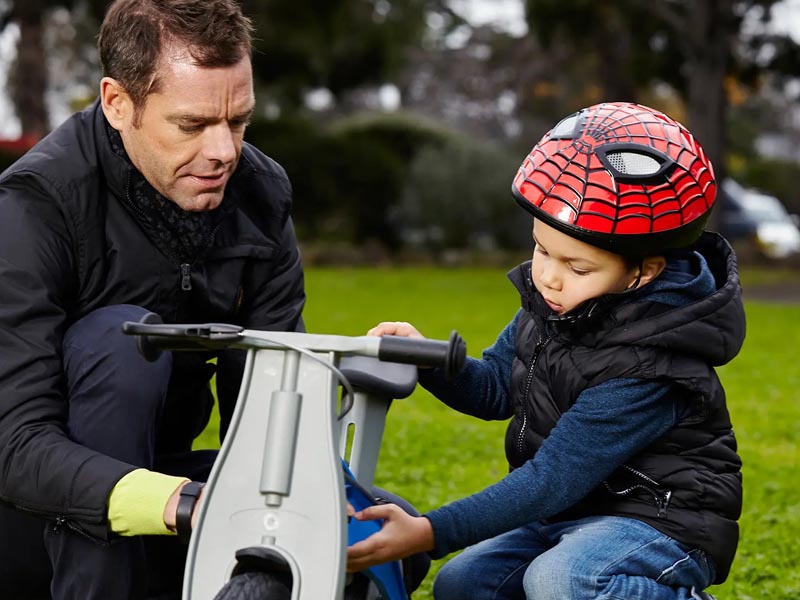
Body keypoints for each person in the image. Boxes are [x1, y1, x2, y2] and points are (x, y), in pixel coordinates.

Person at [347, 102, 745, 600]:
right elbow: (497, 388)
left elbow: (550, 479)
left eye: (577, 268)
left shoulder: (653, 364)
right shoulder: (556, 309)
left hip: (662, 522)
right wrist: (427, 360)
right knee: (464, 585)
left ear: (644, 272)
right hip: (571, 512)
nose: (549, 278)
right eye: (541, 250)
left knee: (562, 581)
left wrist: (429, 531)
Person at [0, 1, 305, 598]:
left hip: (168, 496)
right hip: (28, 512)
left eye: (238, 121)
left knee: (373, 524)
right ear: (118, 102)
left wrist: (293, 506)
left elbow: (271, 405)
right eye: (192, 125)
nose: (224, 151)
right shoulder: (36, 205)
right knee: (121, 342)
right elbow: (13, 446)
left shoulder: (261, 195)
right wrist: (179, 503)